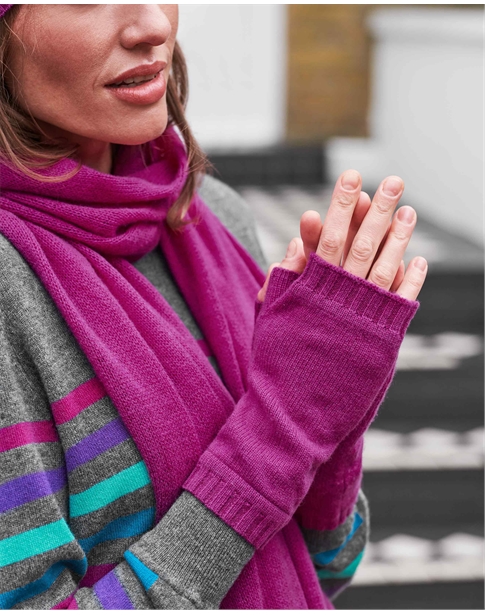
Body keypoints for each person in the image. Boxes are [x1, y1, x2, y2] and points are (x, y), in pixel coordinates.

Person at [0, 4, 428, 610]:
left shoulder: (212, 214)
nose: (151, 25)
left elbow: (332, 561)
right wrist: (284, 425)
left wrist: (332, 396)